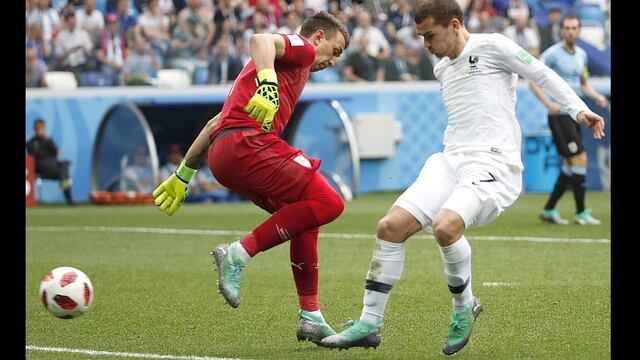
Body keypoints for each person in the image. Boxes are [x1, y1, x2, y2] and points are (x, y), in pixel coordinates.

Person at [319, 0, 604, 355]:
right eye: (421, 37)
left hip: (493, 164)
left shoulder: (493, 45)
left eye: (430, 36)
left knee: (445, 226)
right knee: (389, 227)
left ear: (454, 25)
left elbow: (541, 74)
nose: (425, 45)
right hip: (450, 160)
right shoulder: (441, 68)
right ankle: (369, 323)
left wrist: (579, 109)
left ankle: (463, 307)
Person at [151, 11, 349, 344]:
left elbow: (216, 122)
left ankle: (311, 315)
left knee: (305, 216)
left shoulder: (277, 70)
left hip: (225, 155)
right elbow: (259, 39)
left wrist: (183, 173)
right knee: (329, 202)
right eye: (336, 49)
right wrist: (268, 80)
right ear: (317, 37)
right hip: (248, 143)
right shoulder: (300, 48)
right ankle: (238, 253)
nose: (333, 60)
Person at [530, 15, 608, 226]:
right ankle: (581, 212)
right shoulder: (552, 55)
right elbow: (533, 80)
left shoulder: (581, 54)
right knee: (580, 159)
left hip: (575, 114)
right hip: (559, 116)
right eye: (567, 28)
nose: (571, 31)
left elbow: (583, 82)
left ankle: (548, 210)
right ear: (562, 31)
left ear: (579, 30)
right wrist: (548, 104)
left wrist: (596, 96)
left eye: (574, 28)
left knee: (569, 163)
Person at [26, 119, 76, 206]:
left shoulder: (48, 141)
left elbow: (56, 152)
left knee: (65, 164)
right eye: (38, 128)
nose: (40, 129)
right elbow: (34, 155)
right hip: (41, 168)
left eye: (42, 127)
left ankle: (64, 184)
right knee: (63, 173)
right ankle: (68, 194)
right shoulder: (30, 143)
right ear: (35, 129)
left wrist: (46, 139)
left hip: (54, 168)